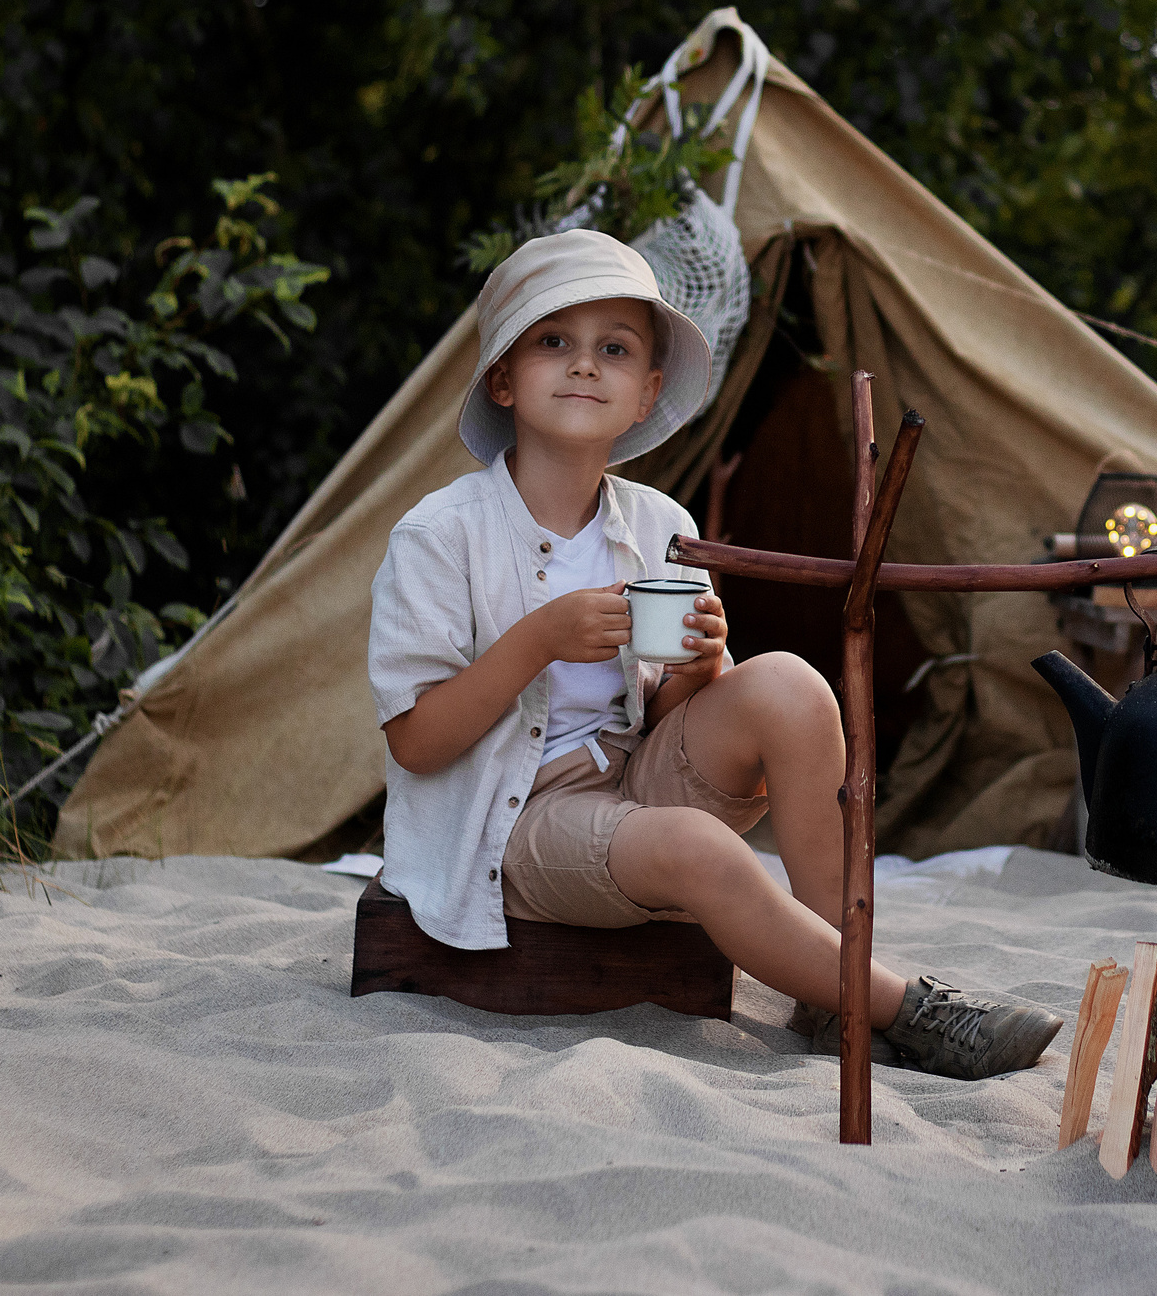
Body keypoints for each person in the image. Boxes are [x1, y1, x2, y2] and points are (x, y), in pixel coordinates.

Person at [368, 230, 1061, 1079]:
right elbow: (415, 742)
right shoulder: (441, 535)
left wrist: (701, 668)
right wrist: (539, 640)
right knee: (701, 847)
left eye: (614, 349)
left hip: (628, 777)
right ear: (503, 379)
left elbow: (665, 716)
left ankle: (828, 985)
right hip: (509, 823)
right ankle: (901, 1006)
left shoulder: (661, 524)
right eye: (553, 340)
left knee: (791, 685)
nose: (584, 364)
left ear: (646, 391)